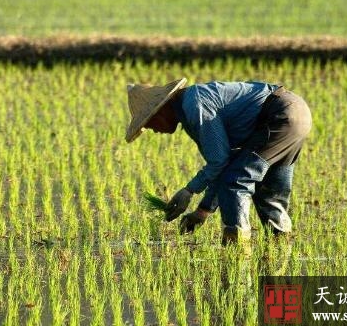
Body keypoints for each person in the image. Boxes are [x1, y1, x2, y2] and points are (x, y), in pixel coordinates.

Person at [125, 78, 312, 245]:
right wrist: (202, 212)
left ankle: (237, 251)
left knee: (236, 181)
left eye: (148, 123)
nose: (152, 130)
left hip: (279, 116)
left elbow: (219, 161)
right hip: (297, 112)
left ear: (160, 110)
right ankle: (282, 248)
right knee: (269, 194)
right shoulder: (191, 105)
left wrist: (188, 190)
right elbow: (222, 165)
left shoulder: (194, 105)